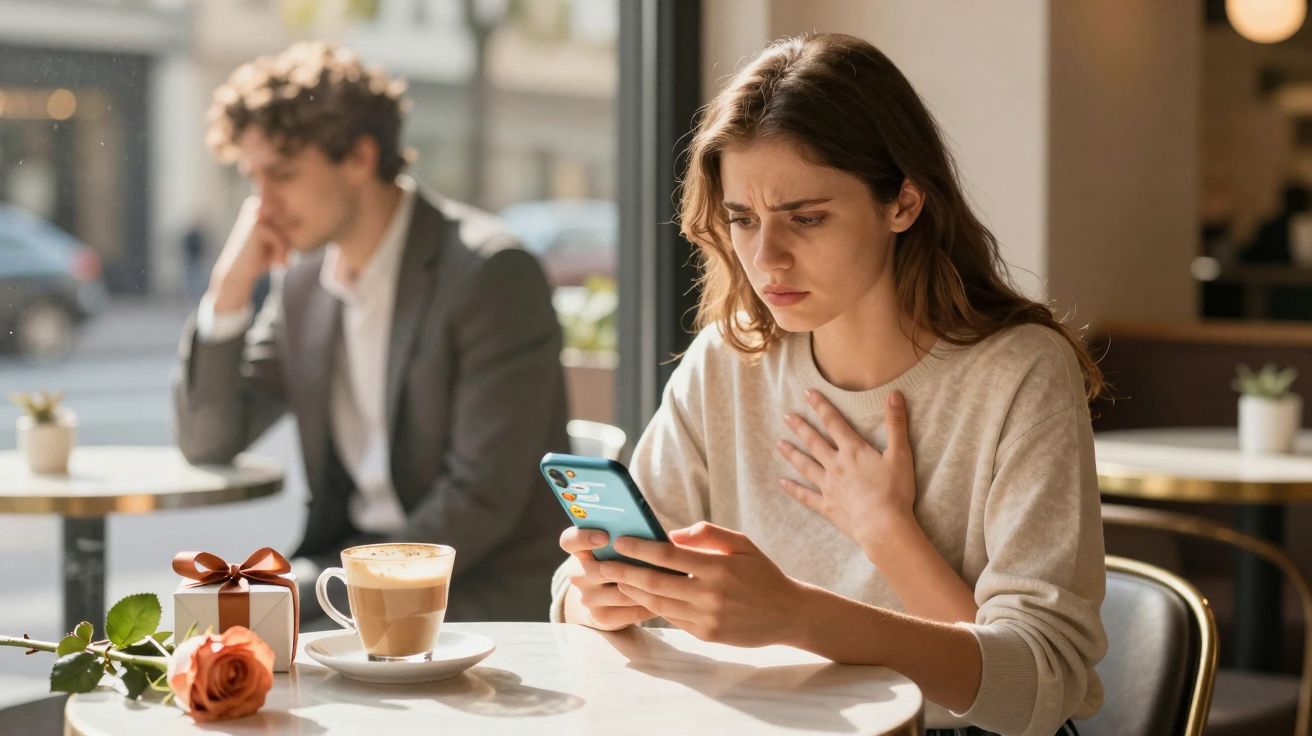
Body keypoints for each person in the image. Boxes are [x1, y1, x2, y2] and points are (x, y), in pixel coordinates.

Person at [551, 33, 1104, 736]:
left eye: (806, 219)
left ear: (903, 202)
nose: (765, 257)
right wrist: (594, 597)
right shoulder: (727, 360)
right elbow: (576, 590)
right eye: (742, 219)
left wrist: (828, 586)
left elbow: (1039, 688)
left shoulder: (1019, 374)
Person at [174, 42, 570, 622]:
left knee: (230, 621)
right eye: (252, 178)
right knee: (202, 620)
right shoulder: (304, 282)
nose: (262, 206)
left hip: (474, 590)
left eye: (281, 175)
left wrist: (321, 593)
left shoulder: (490, 272)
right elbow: (209, 438)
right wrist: (228, 290)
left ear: (359, 158)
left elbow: (481, 500)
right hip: (353, 566)